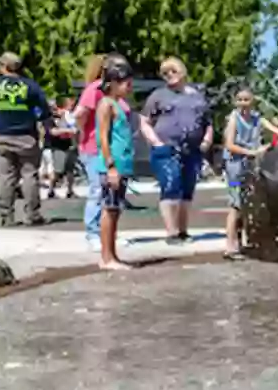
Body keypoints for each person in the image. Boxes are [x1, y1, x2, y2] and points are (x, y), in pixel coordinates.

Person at [140, 57, 213, 244]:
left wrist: (207, 139)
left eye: (173, 71)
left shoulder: (197, 96)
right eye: (165, 73)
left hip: (193, 149)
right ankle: (171, 232)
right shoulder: (158, 96)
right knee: (170, 186)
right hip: (167, 148)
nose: (170, 76)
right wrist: (156, 142)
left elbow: (207, 122)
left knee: (187, 190)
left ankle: (183, 230)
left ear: (183, 72)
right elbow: (145, 121)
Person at [223, 87, 278, 257]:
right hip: (235, 168)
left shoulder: (257, 118)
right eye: (239, 99)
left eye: (246, 99)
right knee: (235, 203)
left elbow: (277, 132)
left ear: (253, 101)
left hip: (251, 165)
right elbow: (229, 145)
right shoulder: (234, 119)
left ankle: (242, 241)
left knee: (248, 202)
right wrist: (253, 152)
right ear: (235, 102)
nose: (243, 103)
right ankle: (230, 245)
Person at [0, 52, 51, 226]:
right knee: (30, 175)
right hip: (27, 136)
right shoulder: (31, 86)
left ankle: (6, 216)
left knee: (5, 177)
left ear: (5, 66)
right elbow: (44, 110)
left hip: (3, 136)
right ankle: (32, 215)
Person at [75, 54, 130, 249]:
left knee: (112, 198)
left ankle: (109, 234)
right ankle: (93, 232)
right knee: (98, 191)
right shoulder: (96, 90)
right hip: (94, 148)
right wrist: (83, 132)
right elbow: (80, 114)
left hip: (117, 152)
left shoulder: (118, 96)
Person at [92, 60, 137, 271]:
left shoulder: (119, 104)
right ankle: (106, 257)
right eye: (126, 83)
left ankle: (112, 254)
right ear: (112, 83)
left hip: (122, 165)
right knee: (109, 210)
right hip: (112, 166)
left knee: (115, 210)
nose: (130, 87)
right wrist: (110, 166)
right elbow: (102, 137)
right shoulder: (106, 104)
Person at [45, 97, 79, 198]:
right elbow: (53, 132)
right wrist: (68, 131)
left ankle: (70, 190)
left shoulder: (68, 117)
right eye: (54, 109)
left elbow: (75, 126)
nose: (57, 111)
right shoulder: (49, 119)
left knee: (70, 170)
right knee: (58, 170)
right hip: (57, 147)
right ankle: (51, 190)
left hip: (69, 145)